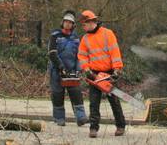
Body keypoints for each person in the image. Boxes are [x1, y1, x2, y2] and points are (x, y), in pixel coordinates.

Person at [77, 10, 126, 138]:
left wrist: (117, 70)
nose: (83, 27)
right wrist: (87, 70)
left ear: (91, 22)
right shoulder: (85, 38)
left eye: (84, 24)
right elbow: (82, 56)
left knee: (114, 101)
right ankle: (93, 128)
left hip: (109, 73)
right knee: (94, 102)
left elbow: (115, 52)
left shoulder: (107, 34)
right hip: (94, 74)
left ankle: (120, 126)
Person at [47, 10, 88, 126]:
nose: (68, 24)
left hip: (72, 70)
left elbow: (79, 55)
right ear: (62, 22)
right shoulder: (55, 35)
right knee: (57, 94)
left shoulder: (75, 38)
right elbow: (52, 53)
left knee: (76, 93)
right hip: (57, 70)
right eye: (66, 22)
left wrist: (78, 69)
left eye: (70, 22)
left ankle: (81, 117)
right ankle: (59, 118)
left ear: (73, 25)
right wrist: (61, 67)